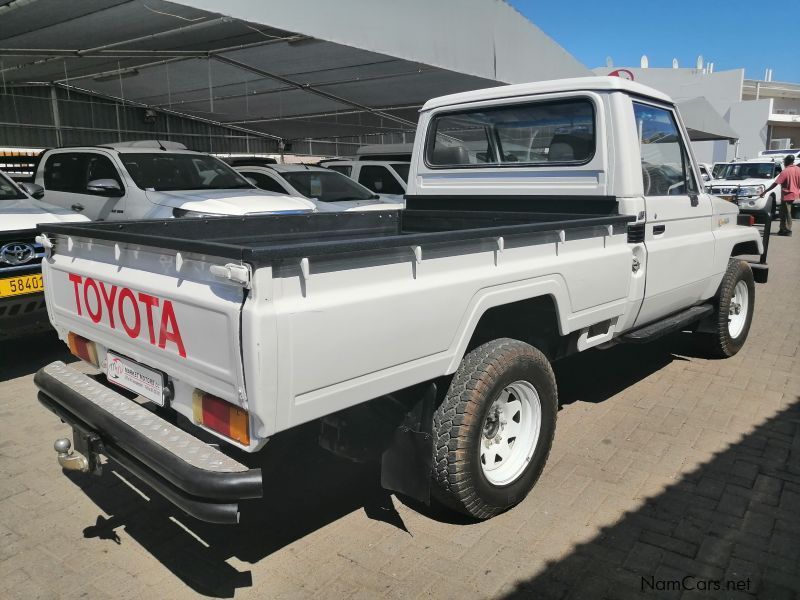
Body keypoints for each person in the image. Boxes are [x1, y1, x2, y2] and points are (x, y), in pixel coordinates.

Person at [760, 155, 799, 236]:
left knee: (787, 213)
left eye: (785, 161)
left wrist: (765, 191)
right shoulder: (798, 169)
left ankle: (788, 230)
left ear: (788, 161)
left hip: (787, 195)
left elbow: (775, 183)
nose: (784, 162)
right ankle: (782, 229)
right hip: (794, 194)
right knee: (782, 213)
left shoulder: (786, 171)